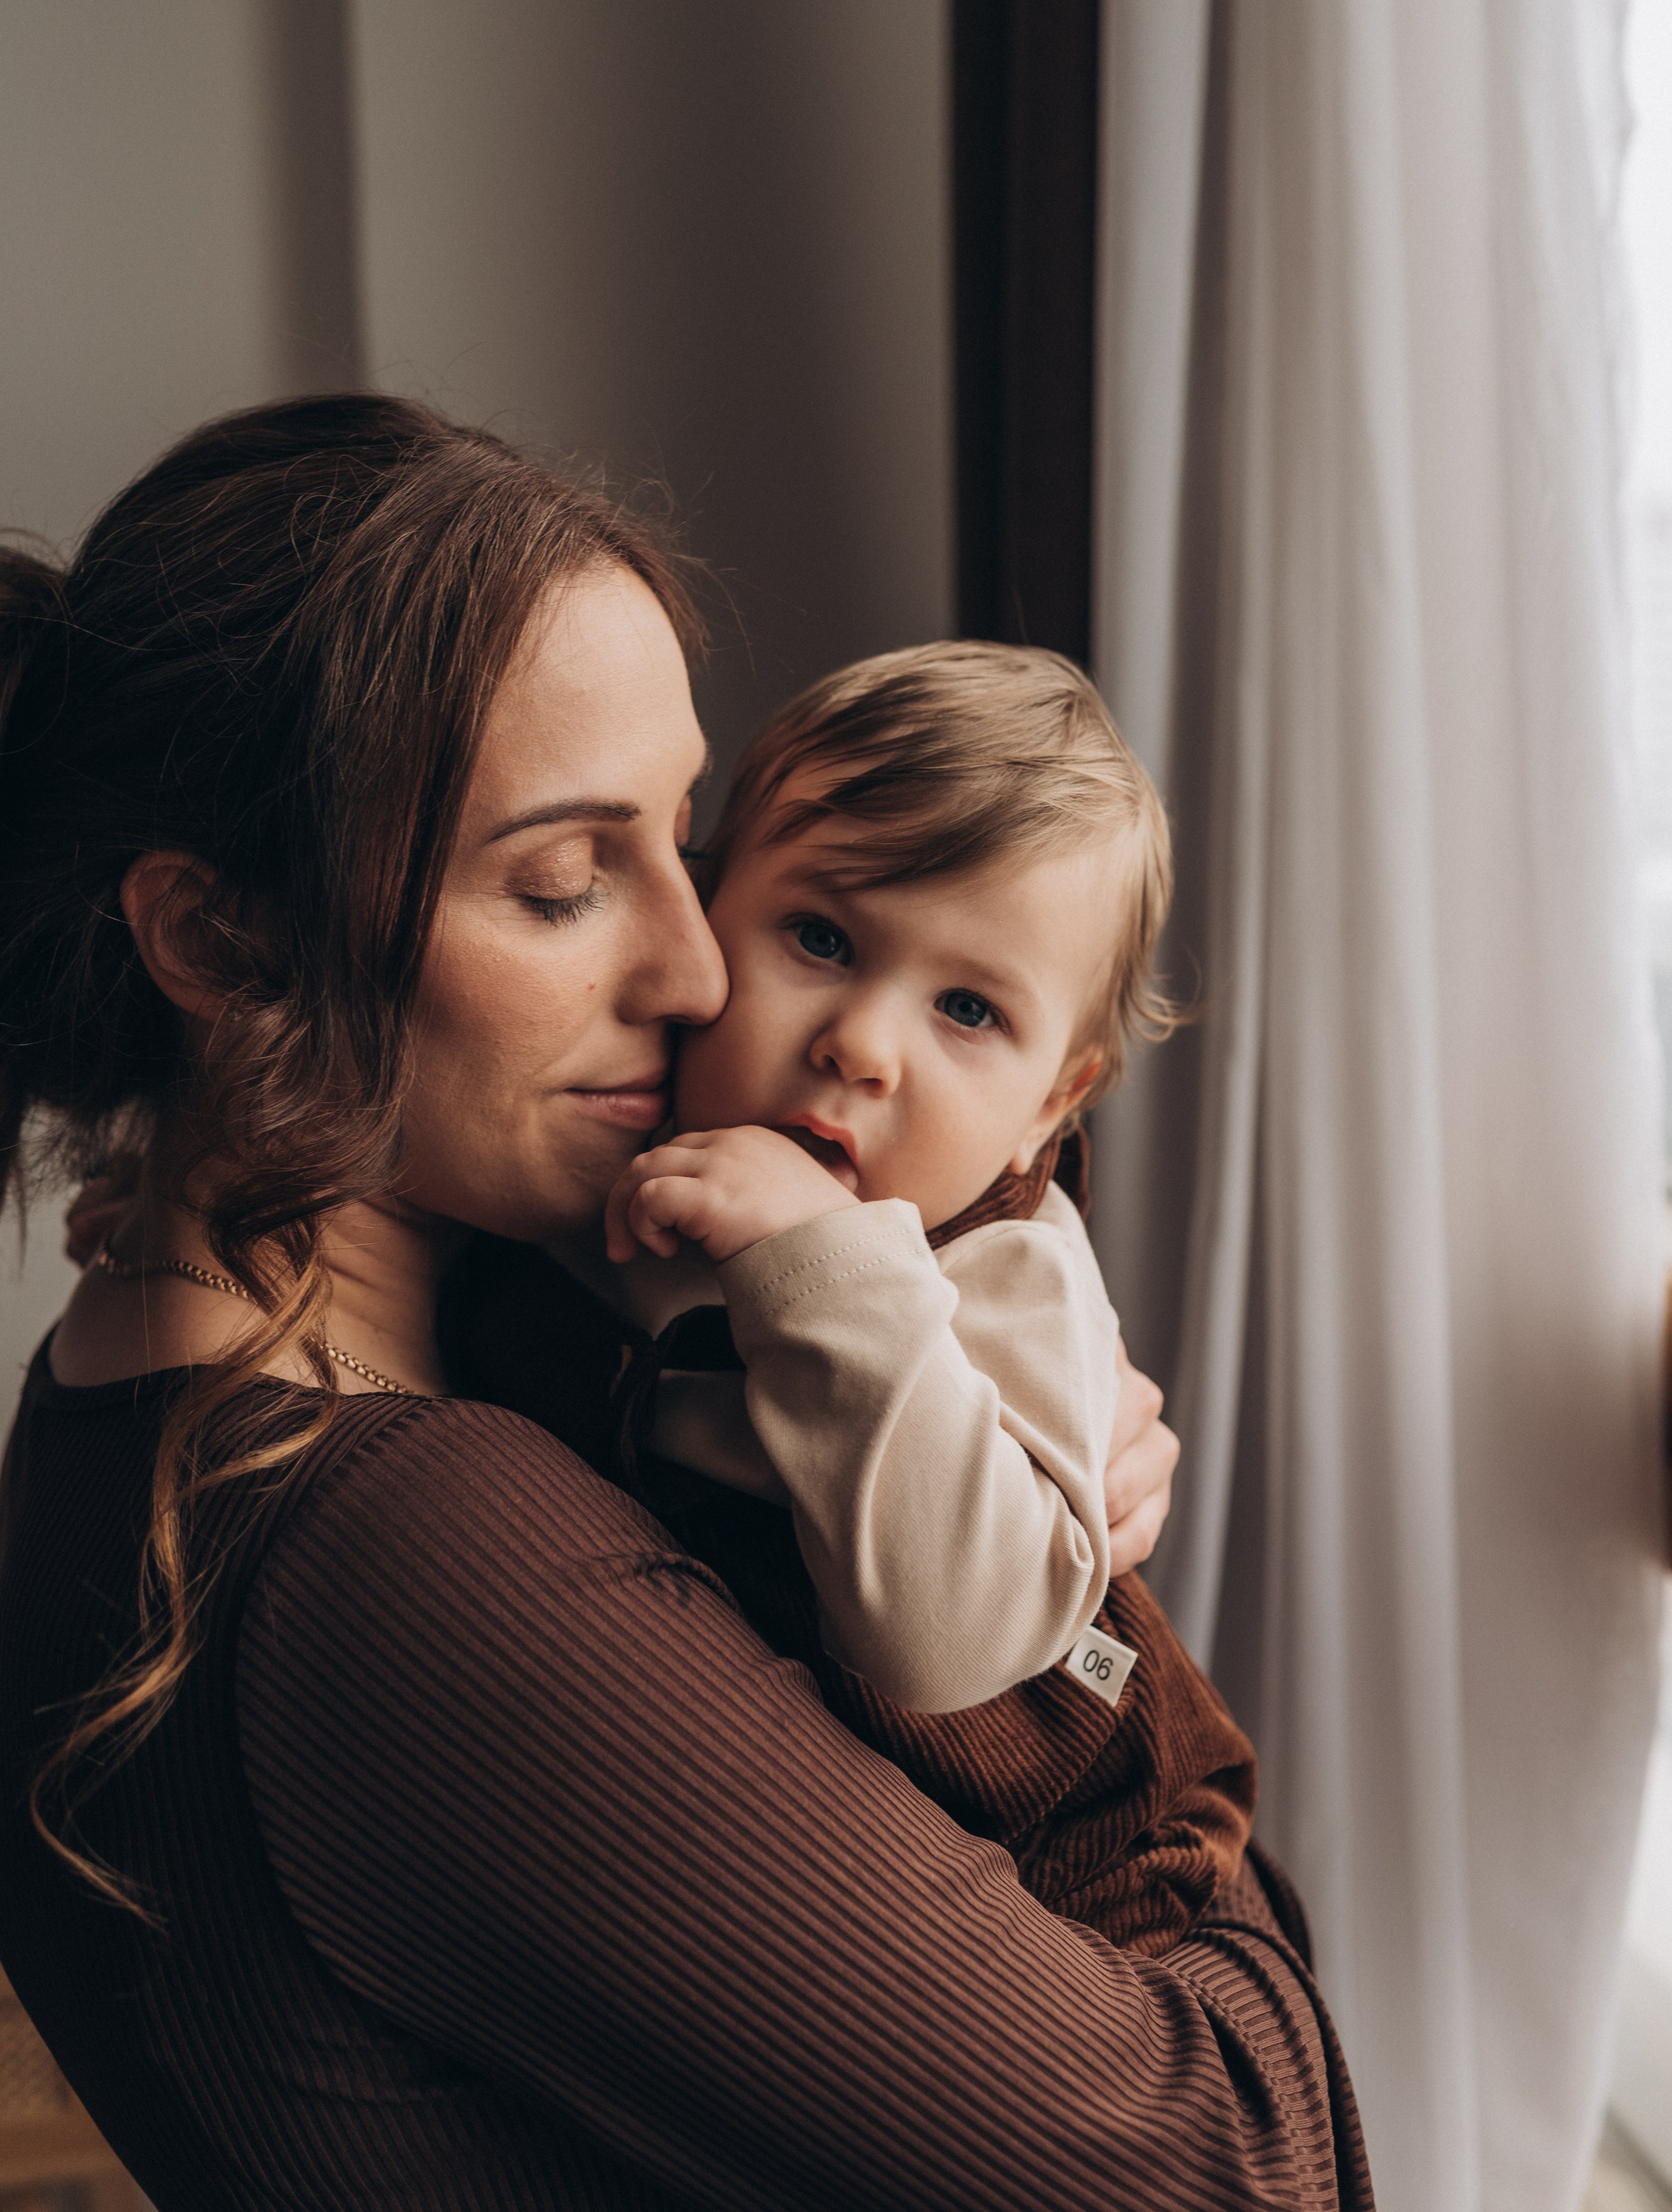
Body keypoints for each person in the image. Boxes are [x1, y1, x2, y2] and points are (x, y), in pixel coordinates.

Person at [0, 395, 1372, 2211]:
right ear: (218, 939)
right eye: (565, 881)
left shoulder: (136, 1372)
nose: (702, 958)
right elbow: (1232, 2163)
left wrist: (1000, 1420)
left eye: (683, 840)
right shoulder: (412, 1552)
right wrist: (1135, 1683)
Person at [591, 640, 1257, 1951]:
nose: (864, 1043)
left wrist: (819, 1260)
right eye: (821, 937)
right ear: (709, 909)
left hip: (1094, 1837)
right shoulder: (614, 1154)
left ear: (1050, 1107)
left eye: (966, 1007)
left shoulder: (1009, 1269)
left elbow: (950, 1648)